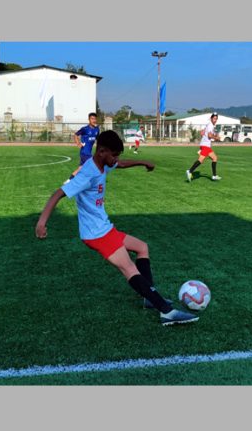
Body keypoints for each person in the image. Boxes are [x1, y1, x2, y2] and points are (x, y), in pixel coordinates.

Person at [36, 130, 199, 326]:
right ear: (102, 151)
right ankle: (166, 312)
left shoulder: (103, 164)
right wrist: (42, 222)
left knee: (142, 247)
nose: (116, 159)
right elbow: (58, 193)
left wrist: (142, 162)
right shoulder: (88, 174)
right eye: (114, 155)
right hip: (96, 234)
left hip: (105, 228)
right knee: (129, 268)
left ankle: (149, 298)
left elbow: (120, 164)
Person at [186, 112, 222, 182]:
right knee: (200, 160)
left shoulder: (209, 125)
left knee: (215, 158)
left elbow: (202, 132)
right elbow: (209, 136)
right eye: (214, 118)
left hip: (205, 145)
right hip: (205, 145)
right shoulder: (210, 125)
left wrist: (211, 135)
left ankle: (214, 176)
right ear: (211, 118)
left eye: (216, 119)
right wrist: (216, 138)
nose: (215, 120)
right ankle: (189, 171)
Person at [66, 112, 100, 182]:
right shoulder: (85, 129)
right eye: (92, 118)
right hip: (84, 152)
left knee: (80, 168)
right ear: (89, 120)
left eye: (95, 119)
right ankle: (90, 182)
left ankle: (69, 180)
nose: (94, 120)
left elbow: (98, 139)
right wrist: (78, 143)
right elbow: (75, 135)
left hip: (88, 152)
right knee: (94, 165)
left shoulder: (97, 129)